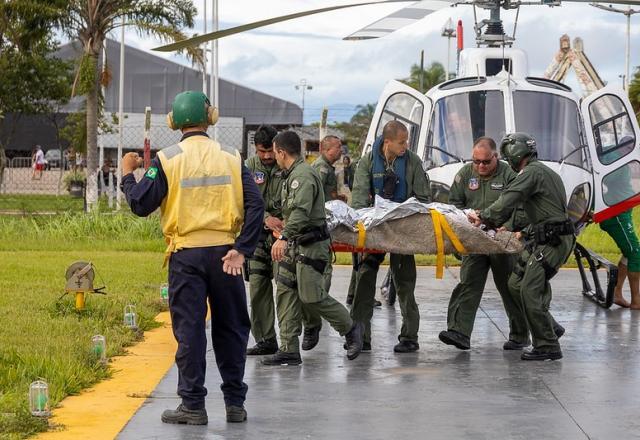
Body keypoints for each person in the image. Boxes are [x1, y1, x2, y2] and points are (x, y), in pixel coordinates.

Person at [120, 91, 264, 424]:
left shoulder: (167, 159)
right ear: (210, 117)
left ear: (174, 122)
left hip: (186, 256)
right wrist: (242, 249)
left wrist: (128, 174)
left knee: (190, 330)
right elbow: (255, 205)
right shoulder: (231, 155)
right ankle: (234, 403)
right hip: (227, 254)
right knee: (231, 328)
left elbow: (141, 204)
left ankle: (193, 405)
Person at [468, 132, 575, 361]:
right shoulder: (542, 172)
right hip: (543, 238)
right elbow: (539, 209)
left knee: (529, 289)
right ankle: (550, 327)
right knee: (515, 283)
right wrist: (518, 228)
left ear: (514, 155)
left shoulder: (531, 173)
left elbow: (509, 199)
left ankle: (547, 345)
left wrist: (485, 217)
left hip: (553, 241)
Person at [263, 130, 364, 365]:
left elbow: (300, 212)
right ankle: (288, 347)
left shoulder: (303, 177)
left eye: (275, 152)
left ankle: (350, 329)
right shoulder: (290, 175)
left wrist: (283, 237)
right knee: (286, 291)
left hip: (310, 246)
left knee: (311, 297)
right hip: (295, 244)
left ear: (281, 152)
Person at [438, 137, 529, 351]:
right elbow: (454, 205)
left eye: (486, 162)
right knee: (468, 282)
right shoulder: (465, 175)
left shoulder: (510, 175)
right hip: (475, 240)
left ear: (496, 157)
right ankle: (459, 331)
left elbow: (521, 206)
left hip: (502, 242)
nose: (480, 166)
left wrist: (507, 226)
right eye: (476, 161)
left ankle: (520, 334)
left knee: (509, 287)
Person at [350, 120, 431, 353]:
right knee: (364, 278)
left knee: (405, 281)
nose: (406, 145)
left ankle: (409, 336)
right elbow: (358, 201)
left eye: (406, 141)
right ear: (387, 142)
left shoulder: (412, 162)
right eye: (401, 142)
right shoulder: (367, 162)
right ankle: (360, 335)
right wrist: (365, 232)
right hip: (375, 229)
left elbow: (423, 198)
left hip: (402, 227)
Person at [300, 135, 347, 352]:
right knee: (321, 275)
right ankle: (315, 319)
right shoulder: (321, 169)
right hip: (319, 228)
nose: (340, 151)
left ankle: (315, 319)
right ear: (326, 148)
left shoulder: (326, 168)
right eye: (337, 147)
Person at [245, 125, 284, 355]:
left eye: (270, 151)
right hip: (258, 235)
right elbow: (243, 202)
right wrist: (266, 218)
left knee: (286, 287)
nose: (267, 156)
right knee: (258, 288)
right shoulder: (249, 168)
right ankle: (266, 339)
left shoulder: (286, 166)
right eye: (262, 151)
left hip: (284, 236)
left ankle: (291, 338)